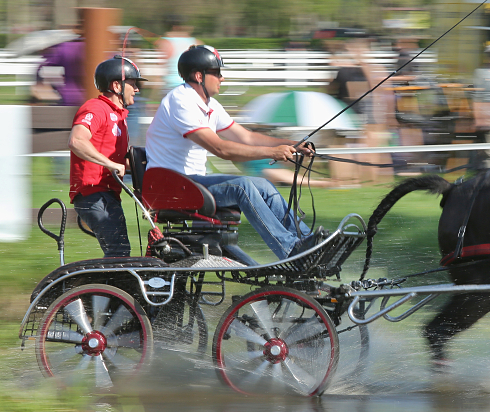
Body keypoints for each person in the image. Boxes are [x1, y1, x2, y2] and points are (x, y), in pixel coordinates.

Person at [145, 45, 323, 260]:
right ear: (199, 75)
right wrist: (272, 152)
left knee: (263, 185)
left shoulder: (209, 104)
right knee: (243, 187)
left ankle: (309, 242)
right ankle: (290, 249)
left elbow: (246, 137)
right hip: (172, 187)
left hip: (190, 183)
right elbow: (221, 148)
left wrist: (293, 145)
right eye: (217, 73)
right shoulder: (180, 101)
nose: (222, 78)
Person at [68, 57, 147, 257]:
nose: (137, 89)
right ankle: (100, 289)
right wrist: (111, 164)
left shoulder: (119, 116)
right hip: (94, 194)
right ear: (116, 86)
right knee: (118, 253)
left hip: (107, 194)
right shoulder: (96, 108)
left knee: (119, 253)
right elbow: (77, 141)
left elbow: (120, 162)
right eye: (132, 83)